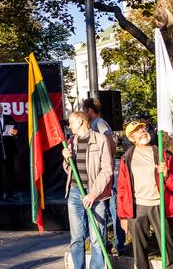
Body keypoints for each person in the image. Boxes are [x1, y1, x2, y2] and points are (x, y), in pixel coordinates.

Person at [117, 121, 173, 269]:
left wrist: (166, 175)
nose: (142, 131)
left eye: (143, 128)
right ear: (132, 137)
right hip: (137, 207)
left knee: (167, 247)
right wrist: (123, 216)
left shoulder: (162, 154)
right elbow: (122, 189)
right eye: (137, 131)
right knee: (139, 250)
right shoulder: (126, 158)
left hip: (158, 206)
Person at [61, 110, 114, 269]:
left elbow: (107, 170)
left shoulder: (100, 140)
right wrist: (66, 159)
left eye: (71, 122)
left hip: (95, 195)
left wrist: (93, 193)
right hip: (75, 193)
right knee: (77, 238)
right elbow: (69, 170)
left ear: (80, 122)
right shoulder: (71, 142)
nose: (69, 126)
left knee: (97, 238)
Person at [83, 97, 125, 254]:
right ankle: (107, 242)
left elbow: (111, 143)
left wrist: (106, 159)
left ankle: (119, 244)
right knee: (106, 209)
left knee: (113, 209)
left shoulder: (99, 124)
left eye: (84, 109)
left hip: (108, 174)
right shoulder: (95, 124)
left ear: (89, 110)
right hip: (101, 175)